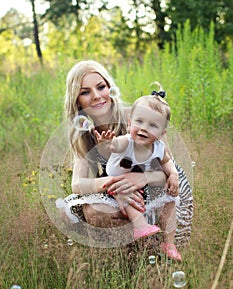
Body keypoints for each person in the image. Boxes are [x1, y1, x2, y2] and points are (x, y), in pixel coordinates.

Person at [56, 59, 193, 256]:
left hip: (160, 189)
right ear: (76, 100)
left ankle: (158, 250)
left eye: (101, 87)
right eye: (85, 92)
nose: (96, 96)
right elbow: (77, 185)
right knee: (94, 211)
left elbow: (166, 168)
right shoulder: (85, 135)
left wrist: (141, 178)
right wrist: (115, 184)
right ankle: (136, 253)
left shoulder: (139, 118)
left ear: (109, 87)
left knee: (161, 206)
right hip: (126, 194)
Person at [95, 92, 182, 260]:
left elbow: (168, 164)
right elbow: (115, 145)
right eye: (139, 121)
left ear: (162, 133)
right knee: (126, 192)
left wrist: (173, 175)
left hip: (140, 186)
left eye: (152, 125)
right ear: (129, 124)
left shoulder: (159, 147)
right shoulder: (126, 141)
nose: (144, 128)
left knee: (170, 201)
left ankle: (169, 243)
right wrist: (108, 143)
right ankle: (140, 226)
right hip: (117, 184)